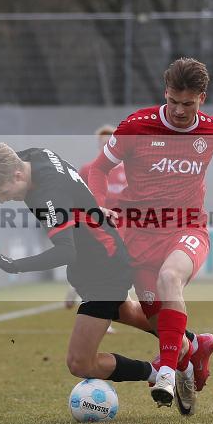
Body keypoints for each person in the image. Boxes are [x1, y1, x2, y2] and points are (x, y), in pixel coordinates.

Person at [0, 144, 201, 400]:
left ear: (16, 177)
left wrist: (13, 265)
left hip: (102, 266)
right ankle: (192, 343)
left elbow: (65, 251)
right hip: (98, 256)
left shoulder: (47, 196)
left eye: (3, 194)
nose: (2, 201)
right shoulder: (28, 156)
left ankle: (155, 372)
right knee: (127, 312)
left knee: (80, 363)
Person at [84, 57, 213, 412]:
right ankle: (194, 352)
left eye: (187, 104)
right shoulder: (136, 126)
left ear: (202, 98)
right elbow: (98, 169)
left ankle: (165, 372)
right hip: (141, 237)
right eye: (173, 101)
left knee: (170, 276)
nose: (178, 110)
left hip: (189, 228)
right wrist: (100, 206)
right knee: (162, 326)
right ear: (165, 93)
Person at [64, 124, 128, 319]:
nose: (105, 145)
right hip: (97, 226)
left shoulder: (128, 171)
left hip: (123, 226)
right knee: (100, 268)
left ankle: (107, 309)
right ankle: (77, 290)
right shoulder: (88, 170)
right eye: (102, 142)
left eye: (109, 142)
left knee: (117, 270)